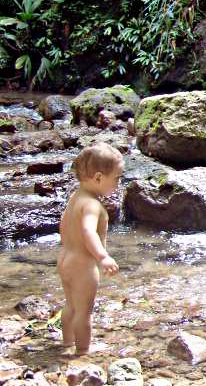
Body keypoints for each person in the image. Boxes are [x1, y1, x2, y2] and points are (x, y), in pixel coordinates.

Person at [57, 142, 123, 354]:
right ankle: (83, 351)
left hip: (65, 259)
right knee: (84, 312)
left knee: (71, 306)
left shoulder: (76, 197)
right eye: (117, 179)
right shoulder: (93, 205)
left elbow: (64, 225)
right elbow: (88, 231)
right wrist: (102, 256)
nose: (118, 184)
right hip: (83, 265)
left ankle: (67, 342)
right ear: (98, 178)